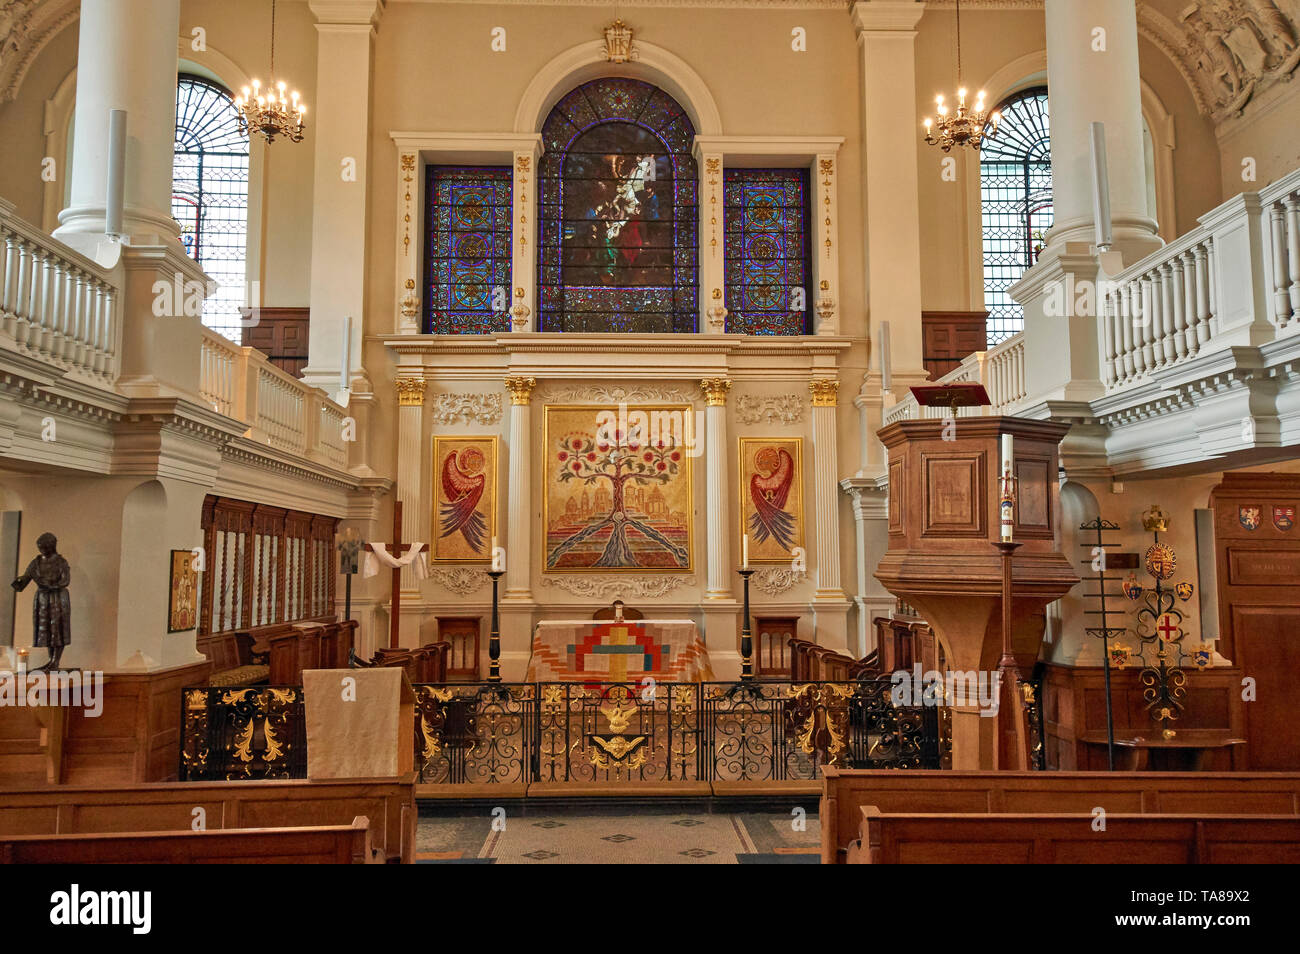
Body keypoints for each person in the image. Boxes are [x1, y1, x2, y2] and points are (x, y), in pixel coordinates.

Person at [11, 532, 72, 671]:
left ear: (52, 546)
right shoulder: (36, 562)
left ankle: (55, 661)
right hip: (43, 599)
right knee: (46, 630)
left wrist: (51, 585)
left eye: (44, 547)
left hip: (57, 597)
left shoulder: (61, 562)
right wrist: (19, 581)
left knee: (58, 629)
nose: (42, 550)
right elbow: (26, 578)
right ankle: (51, 660)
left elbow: (65, 580)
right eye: (40, 547)